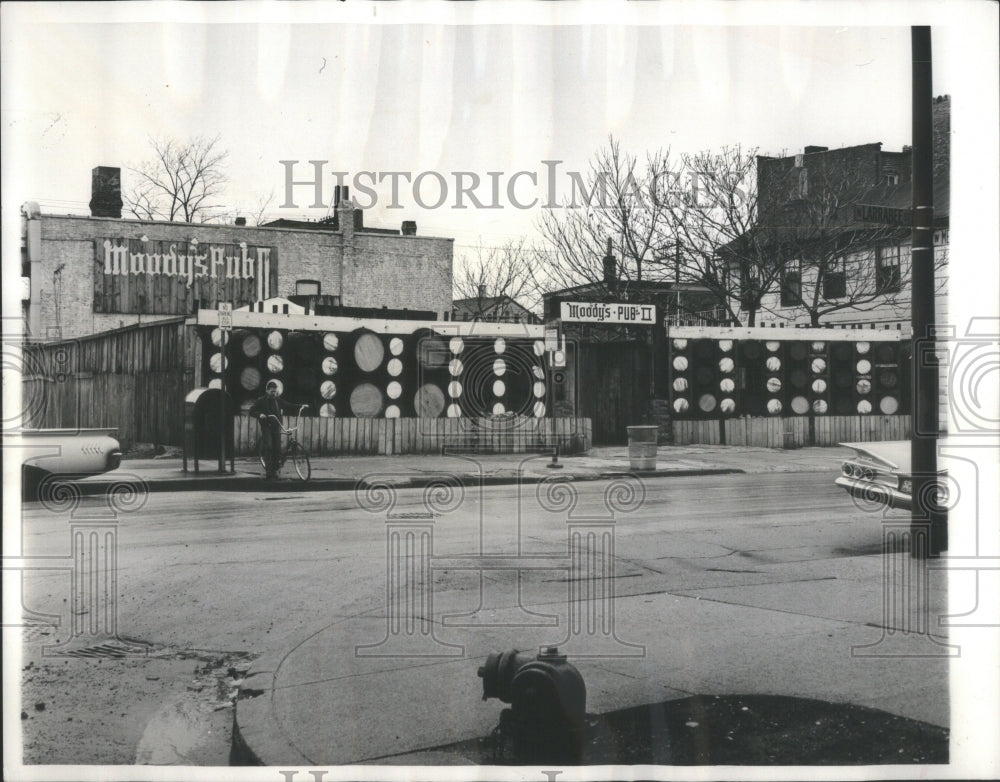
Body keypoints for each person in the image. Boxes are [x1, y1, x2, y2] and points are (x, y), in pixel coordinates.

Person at [249, 381, 304, 480]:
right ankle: (269, 472)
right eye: (272, 391)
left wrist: (301, 406)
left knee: (277, 449)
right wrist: (259, 415)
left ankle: (275, 469)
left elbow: (288, 405)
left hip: (276, 426)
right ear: (267, 391)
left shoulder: (277, 400)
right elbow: (251, 411)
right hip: (266, 426)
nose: (274, 393)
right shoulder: (261, 400)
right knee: (269, 446)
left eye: (275, 392)